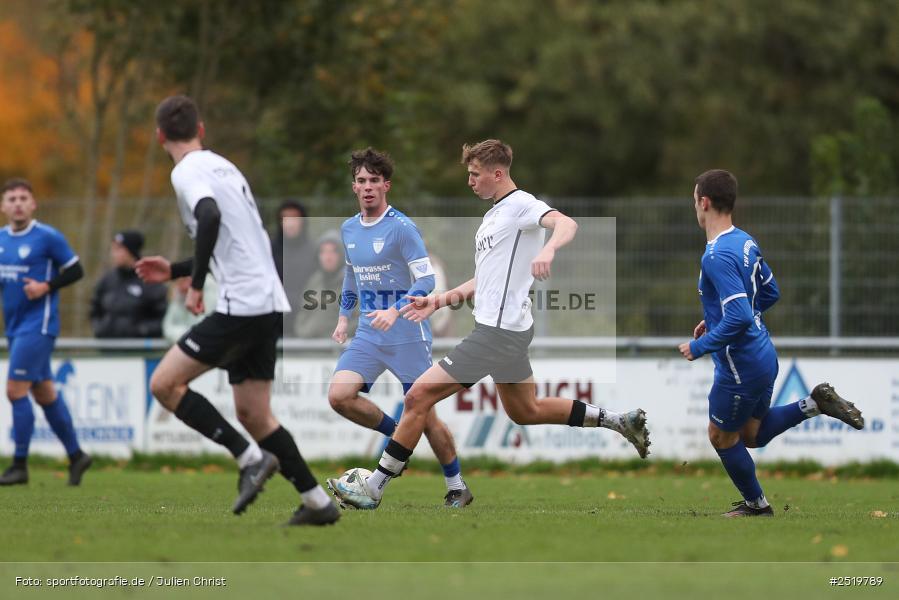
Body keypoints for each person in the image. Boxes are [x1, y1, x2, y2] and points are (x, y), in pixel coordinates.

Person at [328, 140, 650, 510]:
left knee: (417, 396)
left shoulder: (521, 205)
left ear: (498, 174)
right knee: (525, 411)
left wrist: (549, 249)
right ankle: (617, 421)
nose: (470, 181)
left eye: (474, 174)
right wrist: (437, 301)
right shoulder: (493, 217)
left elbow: (566, 223)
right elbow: (484, 281)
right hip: (508, 330)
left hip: (496, 334)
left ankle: (374, 487)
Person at [136, 95, 339, 526]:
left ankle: (248, 458)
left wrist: (193, 286)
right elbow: (238, 243)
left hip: (242, 304)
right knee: (254, 413)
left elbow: (208, 219)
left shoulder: (187, 171)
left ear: (159, 137)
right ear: (202, 130)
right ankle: (318, 503)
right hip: (267, 304)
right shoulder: (223, 166)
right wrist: (174, 268)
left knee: (164, 384)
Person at [677, 169, 864, 517]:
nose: (695, 207)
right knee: (751, 435)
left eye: (694, 200)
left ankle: (757, 506)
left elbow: (740, 318)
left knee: (720, 436)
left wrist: (700, 347)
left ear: (704, 202)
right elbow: (770, 293)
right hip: (764, 356)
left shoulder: (716, 255)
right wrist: (718, 317)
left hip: (740, 368)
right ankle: (814, 404)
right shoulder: (745, 241)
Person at [325, 148, 472, 508]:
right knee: (339, 396)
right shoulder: (349, 229)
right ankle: (397, 435)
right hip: (369, 334)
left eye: (374, 180)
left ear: (386, 185)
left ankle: (457, 486)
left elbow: (426, 280)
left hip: (407, 332)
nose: (368, 187)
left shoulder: (402, 228)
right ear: (354, 187)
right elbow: (350, 276)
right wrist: (344, 317)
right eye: (361, 181)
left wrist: (394, 310)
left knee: (426, 412)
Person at [0, 178, 91, 486]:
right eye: (11, 198)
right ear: (3, 206)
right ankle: (77, 456)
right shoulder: (1, 240)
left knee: (15, 390)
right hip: (15, 328)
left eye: (23, 197)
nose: (17, 203)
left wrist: (46, 286)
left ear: (33, 204)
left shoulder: (47, 237)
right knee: (44, 392)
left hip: (39, 325)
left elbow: (76, 269)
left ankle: (19, 465)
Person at [90, 230, 168, 338]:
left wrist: (141, 331)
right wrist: (100, 329)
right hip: (107, 349)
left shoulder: (150, 280)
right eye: (112, 249)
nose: (113, 254)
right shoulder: (107, 280)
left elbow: (162, 317)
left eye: (118, 249)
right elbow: (95, 310)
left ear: (131, 252)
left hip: (139, 350)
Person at [293, 230, 354, 340]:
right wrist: (304, 331)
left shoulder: (354, 283)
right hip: (310, 349)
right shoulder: (314, 281)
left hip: (341, 349)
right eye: (323, 252)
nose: (328, 257)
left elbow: (360, 318)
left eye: (333, 251)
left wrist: (335, 334)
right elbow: (303, 312)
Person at [271, 200, 316, 335]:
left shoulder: (315, 250)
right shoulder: (268, 250)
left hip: (306, 316)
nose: (290, 223)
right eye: (285, 219)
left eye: (294, 218)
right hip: (275, 317)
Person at [162, 275, 218, 344]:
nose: (182, 284)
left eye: (185, 278)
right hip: (185, 343)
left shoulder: (210, 289)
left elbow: (206, 327)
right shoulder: (179, 292)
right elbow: (167, 328)